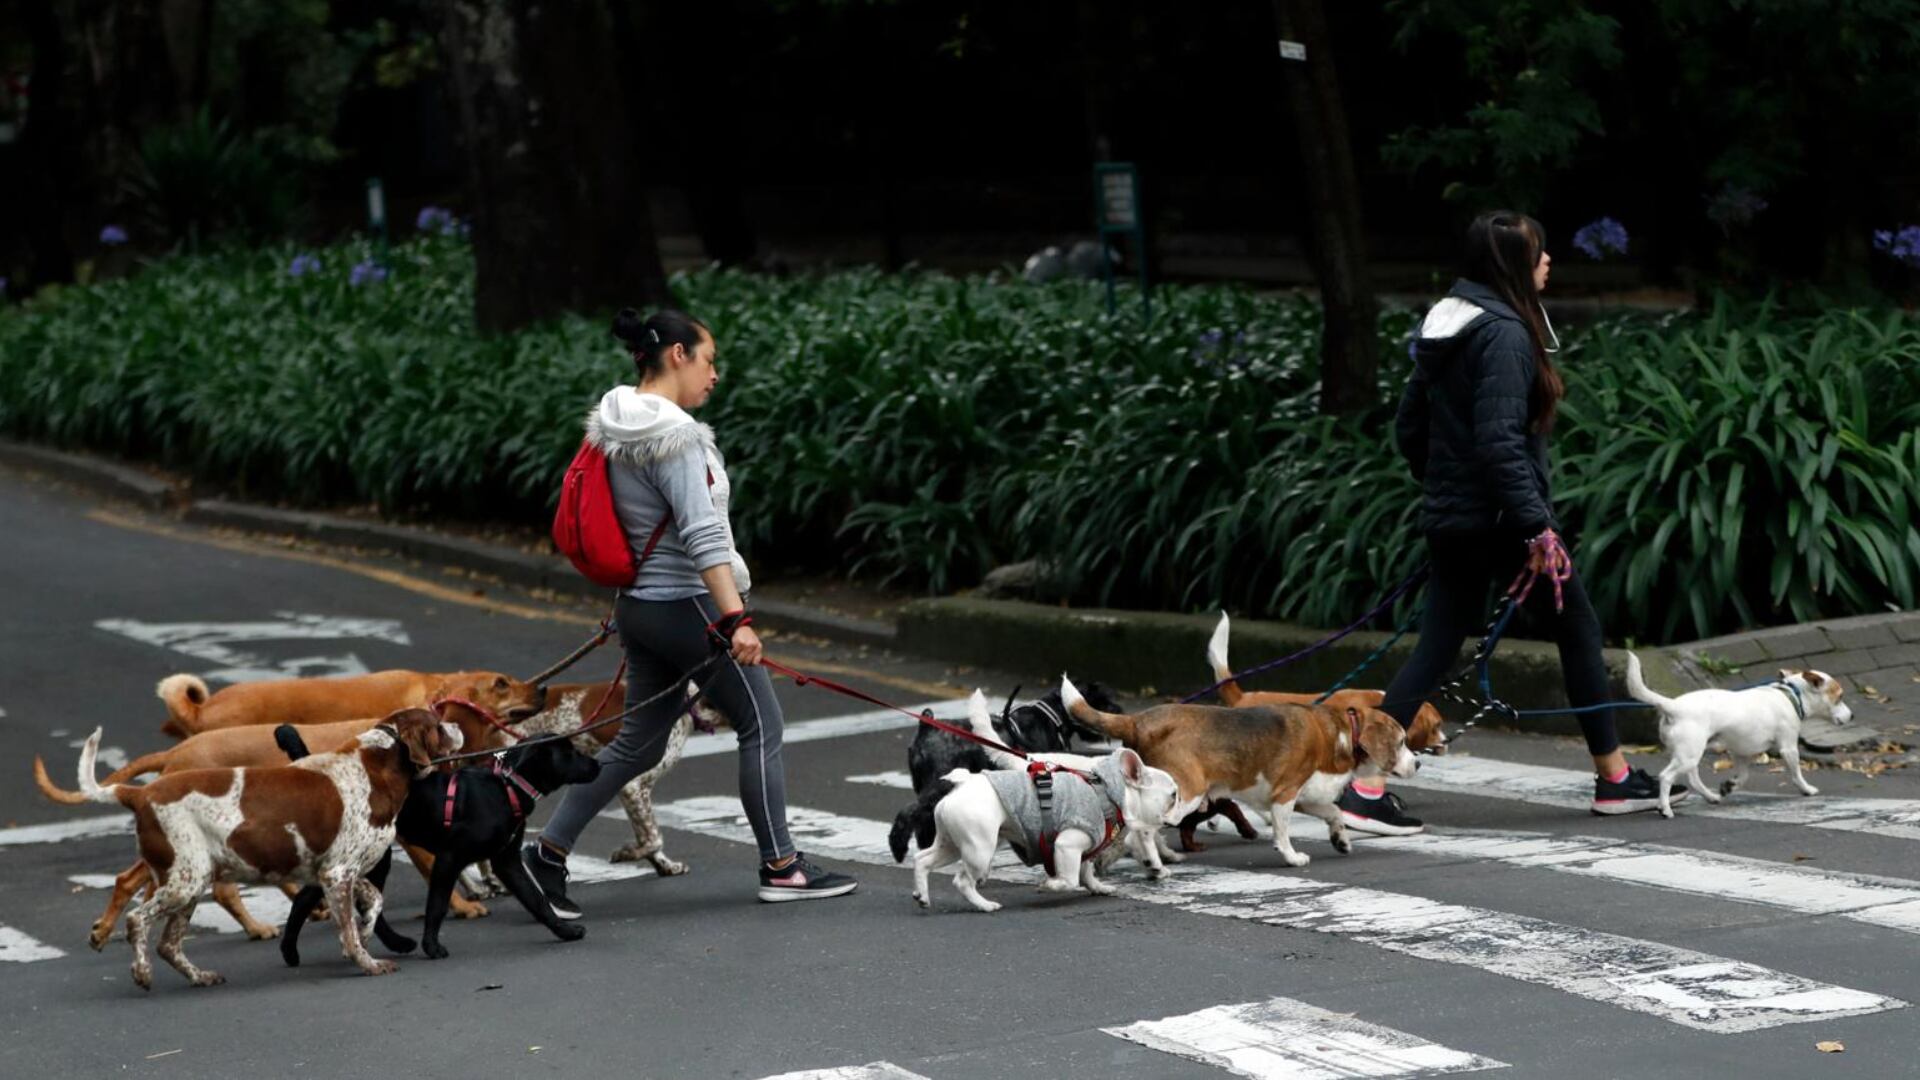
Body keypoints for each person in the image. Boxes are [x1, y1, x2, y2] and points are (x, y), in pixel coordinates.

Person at [1336, 210, 1687, 834]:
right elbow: (1500, 442)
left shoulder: (1448, 322)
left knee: (1438, 644)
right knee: (1578, 629)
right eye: (1538, 252)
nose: (1548, 261)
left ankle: (1365, 785)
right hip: (1503, 519)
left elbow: (1410, 428)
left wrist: (1446, 490)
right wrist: (1535, 527)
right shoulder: (1503, 334)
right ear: (1511, 265)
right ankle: (1613, 780)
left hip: (1459, 517)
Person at [524, 308, 858, 916]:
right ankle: (782, 866)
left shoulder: (615, 422)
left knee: (638, 745)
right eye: (709, 359)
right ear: (677, 355)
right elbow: (703, 536)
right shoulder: (675, 437)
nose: (715, 374)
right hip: (687, 607)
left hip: (640, 607)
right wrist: (735, 621)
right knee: (762, 724)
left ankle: (546, 853)